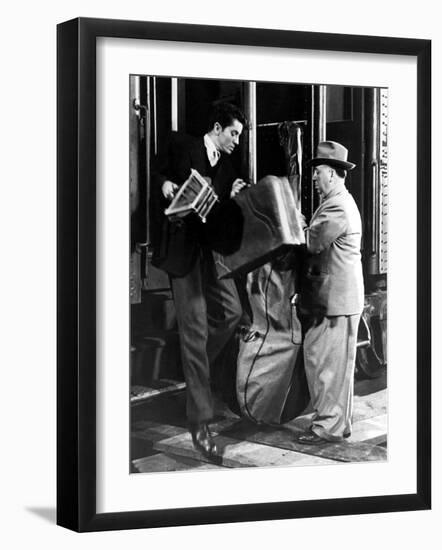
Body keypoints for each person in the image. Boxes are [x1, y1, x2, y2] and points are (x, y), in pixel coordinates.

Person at [151, 102, 248, 459]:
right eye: (234, 133)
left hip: (209, 255)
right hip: (182, 255)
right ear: (218, 127)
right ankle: (201, 424)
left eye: (240, 135)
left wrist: (232, 200)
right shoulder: (181, 145)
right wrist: (164, 186)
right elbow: (154, 171)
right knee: (194, 333)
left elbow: (219, 219)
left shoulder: (226, 170)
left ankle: (196, 376)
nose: (237, 141)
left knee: (232, 313)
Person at [296, 141, 364, 444]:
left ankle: (328, 428)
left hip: (336, 301)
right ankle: (338, 425)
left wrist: (294, 223)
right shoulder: (339, 200)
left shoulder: (337, 204)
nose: (314, 177)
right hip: (338, 299)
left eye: (318, 172)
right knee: (332, 368)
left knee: (328, 369)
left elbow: (312, 243)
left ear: (334, 175)